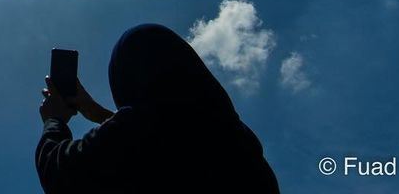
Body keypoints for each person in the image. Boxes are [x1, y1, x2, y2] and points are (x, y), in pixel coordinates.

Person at [35, 23, 279, 193]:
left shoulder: (135, 133)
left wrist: (54, 120)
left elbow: (60, 175)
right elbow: (161, 142)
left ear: (126, 78)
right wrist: (97, 113)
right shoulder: (236, 136)